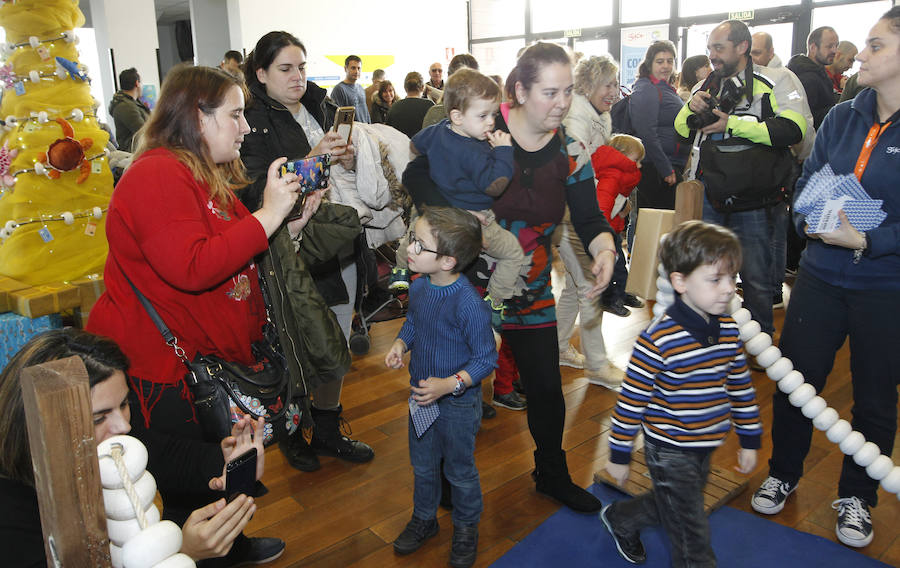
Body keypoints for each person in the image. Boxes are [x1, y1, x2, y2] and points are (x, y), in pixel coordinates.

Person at [86, 63, 320, 565]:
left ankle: (227, 544)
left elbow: (238, 250)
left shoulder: (199, 173)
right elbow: (191, 266)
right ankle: (202, 553)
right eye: (234, 115)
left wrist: (291, 218)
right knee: (192, 472)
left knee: (221, 463)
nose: (245, 127)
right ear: (197, 116)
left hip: (206, 358)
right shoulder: (155, 172)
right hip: (164, 370)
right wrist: (270, 213)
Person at [403, 42, 617, 513]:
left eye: (567, 91)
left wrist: (605, 248)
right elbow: (416, 173)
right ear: (519, 91)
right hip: (468, 282)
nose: (561, 103)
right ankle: (439, 479)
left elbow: (589, 217)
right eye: (549, 92)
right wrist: (454, 215)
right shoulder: (480, 126)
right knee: (451, 385)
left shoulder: (572, 149)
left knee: (544, 387)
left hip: (532, 282)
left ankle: (552, 474)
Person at [751, 7, 900, 549]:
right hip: (817, 277)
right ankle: (783, 471)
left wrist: (869, 239)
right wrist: (806, 219)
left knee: (876, 399)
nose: (860, 54)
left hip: (885, 286)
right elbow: (809, 180)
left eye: (876, 45)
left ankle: (859, 495)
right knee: (795, 383)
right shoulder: (841, 115)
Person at [0, 329, 271, 567]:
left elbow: (167, 457)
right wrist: (181, 553)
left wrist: (228, 462)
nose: (123, 426)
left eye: (124, 404)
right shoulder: (13, 516)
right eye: (98, 418)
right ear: (43, 422)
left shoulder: (115, 438)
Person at [239, 31, 375, 472]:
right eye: (285, 69)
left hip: (338, 236)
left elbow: (347, 164)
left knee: (335, 337)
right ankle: (295, 432)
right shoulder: (254, 121)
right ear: (260, 73)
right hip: (290, 245)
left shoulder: (322, 103)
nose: (297, 77)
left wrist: (352, 160)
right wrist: (314, 157)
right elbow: (253, 190)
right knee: (293, 345)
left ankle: (329, 428)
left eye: (301, 66)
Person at [602, 220, 762, 566]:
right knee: (691, 533)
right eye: (715, 279)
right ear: (680, 282)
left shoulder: (728, 330)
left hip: (705, 441)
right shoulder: (658, 340)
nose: (728, 290)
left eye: (732, 279)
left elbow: (740, 385)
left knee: (672, 504)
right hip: (669, 448)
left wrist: (749, 437)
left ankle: (622, 518)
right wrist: (618, 453)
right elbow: (631, 400)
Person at [675, 19, 807, 340]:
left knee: (756, 276)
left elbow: (794, 129)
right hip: (712, 193)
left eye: (719, 48)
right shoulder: (706, 84)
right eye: (710, 49)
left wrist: (731, 124)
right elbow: (682, 128)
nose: (713, 56)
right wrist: (692, 106)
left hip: (757, 198)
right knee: (707, 269)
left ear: (742, 47)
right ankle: (710, 336)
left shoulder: (777, 79)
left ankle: (760, 340)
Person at [385, 206, 496, 568]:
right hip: (421, 398)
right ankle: (424, 518)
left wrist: (450, 384)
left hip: (458, 405)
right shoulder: (419, 288)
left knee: (459, 471)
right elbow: (415, 324)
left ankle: (466, 528)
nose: (410, 250)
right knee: (423, 465)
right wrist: (402, 343)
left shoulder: (469, 304)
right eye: (412, 239)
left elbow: (485, 360)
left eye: (419, 244)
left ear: (448, 261)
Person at [389, 69, 524, 322]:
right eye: (483, 116)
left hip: (437, 208)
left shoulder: (439, 129)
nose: (490, 122)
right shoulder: (475, 151)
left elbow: (415, 144)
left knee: (416, 232)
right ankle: (495, 301)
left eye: (493, 115)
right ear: (457, 116)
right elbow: (495, 185)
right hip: (474, 218)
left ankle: (399, 269)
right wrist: (504, 152)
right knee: (513, 253)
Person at [556, 54, 627, 388]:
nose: (614, 91)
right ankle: (597, 365)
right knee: (590, 285)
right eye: (607, 84)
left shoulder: (600, 114)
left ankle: (558, 347)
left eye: (615, 83)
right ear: (587, 84)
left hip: (584, 212)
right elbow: (581, 175)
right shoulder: (576, 118)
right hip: (572, 213)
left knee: (575, 284)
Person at [629, 41, 688, 212]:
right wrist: (665, 168)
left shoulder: (664, 88)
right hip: (656, 168)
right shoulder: (647, 88)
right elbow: (646, 133)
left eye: (670, 61)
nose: (666, 66)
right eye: (660, 61)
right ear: (650, 64)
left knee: (662, 226)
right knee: (656, 227)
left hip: (667, 167)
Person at [593, 135, 644, 319]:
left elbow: (619, 205)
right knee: (612, 267)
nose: (639, 166)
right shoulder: (612, 175)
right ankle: (609, 298)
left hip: (612, 228)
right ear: (621, 156)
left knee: (620, 265)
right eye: (636, 160)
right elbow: (603, 205)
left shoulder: (620, 174)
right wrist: (603, 233)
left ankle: (621, 293)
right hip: (604, 230)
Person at [788, 26, 840, 130]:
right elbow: (807, 118)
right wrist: (837, 110)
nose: (835, 51)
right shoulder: (807, 78)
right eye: (829, 46)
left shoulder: (820, 73)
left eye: (836, 45)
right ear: (813, 48)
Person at [422, 54, 480, 129]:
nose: (437, 73)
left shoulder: (435, 113)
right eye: (434, 70)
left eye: (439, 70)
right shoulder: (436, 113)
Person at [108, 67, 150, 151]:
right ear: (137, 83)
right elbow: (145, 132)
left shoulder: (130, 103)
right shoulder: (126, 106)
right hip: (135, 153)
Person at [387, 71, 434, 138]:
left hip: (400, 147)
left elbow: (388, 134)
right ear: (423, 87)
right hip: (424, 147)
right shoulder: (430, 106)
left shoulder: (394, 107)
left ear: (405, 88)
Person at [331, 55, 371, 123]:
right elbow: (337, 117)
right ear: (345, 69)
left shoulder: (360, 88)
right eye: (353, 68)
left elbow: (366, 113)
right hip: (352, 132)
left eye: (359, 68)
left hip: (365, 130)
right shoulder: (339, 89)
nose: (356, 71)